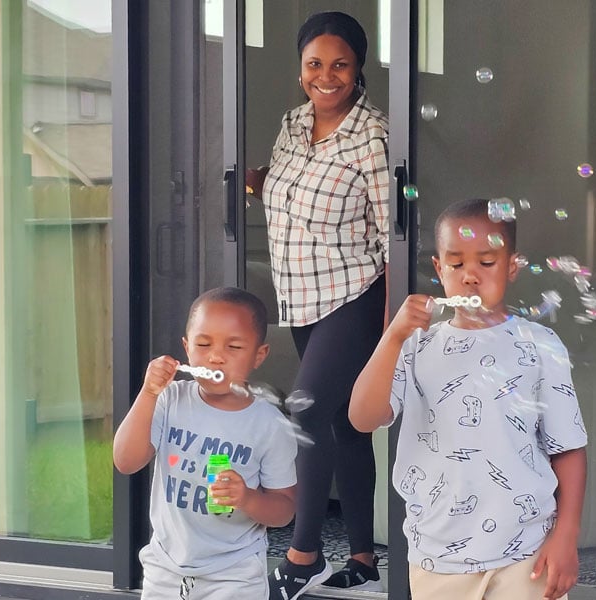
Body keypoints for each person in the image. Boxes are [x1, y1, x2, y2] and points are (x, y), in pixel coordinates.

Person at [350, 198, 588, 600]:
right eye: (456, 263)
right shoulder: (416, 345)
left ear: (512, 266)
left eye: (487, 262)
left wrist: (566, 535)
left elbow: (568, 447)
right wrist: (392, 337)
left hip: (527, 552)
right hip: (437, 556)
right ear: (439, 269)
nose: (470, 276)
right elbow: (362, 417)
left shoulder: (540, 345)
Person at [245, 10, 390, 600]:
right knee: (342, 425)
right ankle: (363, 558)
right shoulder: (292, 123)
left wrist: (393, 327)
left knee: (306, 412)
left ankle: (303, 555)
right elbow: (291, 190)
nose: (326, 76)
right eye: (314, 64)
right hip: (301, 296)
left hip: (355, 295)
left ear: (358, 70)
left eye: (340, 65)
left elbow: (392, 234)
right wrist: (258, 183)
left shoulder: (374, 137)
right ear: (300, 67)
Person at [113, 287, 298, 600]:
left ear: (259, 355)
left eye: (234, 347)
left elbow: (284, 510)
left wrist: (247, 498)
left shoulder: (270, 425)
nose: (216, 356)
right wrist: (148, 393)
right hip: (165, 569)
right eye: (203, 344)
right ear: (187, 348)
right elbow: (126, 461)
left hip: (234, 576)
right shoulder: (169, 400)